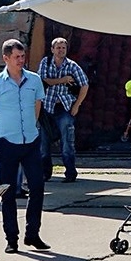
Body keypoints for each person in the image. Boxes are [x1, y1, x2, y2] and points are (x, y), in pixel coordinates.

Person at [0, 38, 48, 254]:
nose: (21, 60)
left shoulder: (35, 80)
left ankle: (33, 234)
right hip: (7, 142)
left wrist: (29, 129)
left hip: (30, 140)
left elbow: (37, 109)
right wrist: (0, 134)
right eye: (17, 57)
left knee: (37, 186)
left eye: (23, 56)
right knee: (8, 192)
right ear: (6, 58)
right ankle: (12, 238)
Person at [35, 37, 89, 183]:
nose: (61, 50)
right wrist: (63, 80)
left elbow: (84, 85)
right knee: (43, 143)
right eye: (58, 48)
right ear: (52, 49)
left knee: (67, 142)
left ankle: (70, 173)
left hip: (64, 107)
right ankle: (45, 173)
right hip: (47, 107)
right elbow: (42, 80)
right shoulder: (45, 63)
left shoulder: (72, 66)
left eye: (63, 48)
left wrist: (77, 105)